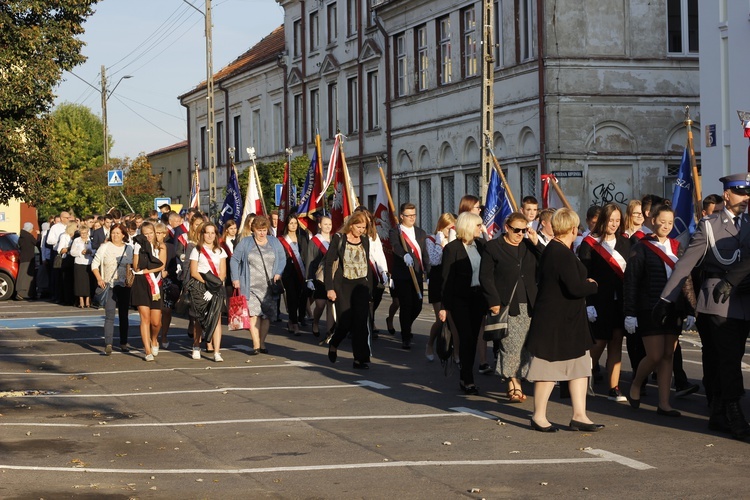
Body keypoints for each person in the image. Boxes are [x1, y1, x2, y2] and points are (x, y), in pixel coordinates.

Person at [656, 173, 750, 441]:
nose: (745, 199)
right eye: (740, 193)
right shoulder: (710, 225)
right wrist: (666, 298)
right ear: (727, 195)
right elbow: (685, 264)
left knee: (725, 360)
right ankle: (734, 414)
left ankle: (718, 415)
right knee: (729, 360)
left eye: (748, 194)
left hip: (744, 301)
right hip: (717, 302)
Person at [526, 208, 601, 432]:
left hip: (568, 320)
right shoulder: (560, 252)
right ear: (571, 228)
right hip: (555, 322)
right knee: (548, 369)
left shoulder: (558, 249)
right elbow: (575, 287)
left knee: (578, 367)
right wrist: (592, 285)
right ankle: (538, 415)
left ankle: (579, 415)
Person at [624, 205, 694, 416]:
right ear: (652, 220)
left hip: (673, 308)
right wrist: (629, 312)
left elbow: (686, 280)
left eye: (670, 223)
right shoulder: (641, 247)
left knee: (667, 355)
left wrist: (691, 309)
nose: (666, 226)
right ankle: (637, 383)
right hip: (649, 308)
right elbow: (631, 282)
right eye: (662, 221)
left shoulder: (677, 246)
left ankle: (664, 403)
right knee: (654, 355)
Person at [480, 212, 543, 403]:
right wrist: (493, 301)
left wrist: (536, 242)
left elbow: (548, 261)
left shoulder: (528, 246)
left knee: (525, 346)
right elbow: (486, 276)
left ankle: (517, 376)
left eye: (524, 230)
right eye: (516, 230)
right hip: (507, 304)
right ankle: (513, 383)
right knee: (510, 346)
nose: (520, 234)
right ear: (507, 227)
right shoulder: (493, 247)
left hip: (530, 304)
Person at [578, 203, 630, 403]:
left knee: (617, 341)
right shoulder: (589, 243)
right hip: (599, 299)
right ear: (603, 220)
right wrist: (588, 302)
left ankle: (613, 386)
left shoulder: (625, 242)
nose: (614, 224)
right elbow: (585, 275)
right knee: (599, 342)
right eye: (611, 220)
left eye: (618, 220)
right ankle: (584, 378)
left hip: (620, 300)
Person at [439, 212, 486, 394]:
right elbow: (446, 279)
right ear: (468, 227)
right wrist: (445, 307)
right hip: (460, 299)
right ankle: (467, 379)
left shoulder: (482, 246)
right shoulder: (452, 249)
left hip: (478, 298)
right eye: (478, 225)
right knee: (465, 336)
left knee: (473, 339)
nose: (481, 228)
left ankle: (466, 375)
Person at [231, 215, 286, 354]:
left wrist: (278, 272)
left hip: (269, 287)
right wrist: (235, 278)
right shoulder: (246, 243)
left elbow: (282, 258)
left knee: (266, 315)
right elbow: (234, 260)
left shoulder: (274, 242)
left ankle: (262, 343)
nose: (262, 233)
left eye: (264, 230)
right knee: (254, 314)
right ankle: (256, 344)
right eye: (259, 230)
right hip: (250, 286)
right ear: (253, 229)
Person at [325, 211, 373, 369]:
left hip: (361, 286)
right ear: (351, 225)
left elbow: (367, 265)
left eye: (364, 227)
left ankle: (360, 358)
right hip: (343, 285)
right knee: (345, 323)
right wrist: (330, 289)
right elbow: (328, 263)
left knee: (360, 323)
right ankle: (334, 342)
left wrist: (370, 290)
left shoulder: (365, 240)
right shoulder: (339, 239)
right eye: (358, 226)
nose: (361, 230)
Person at [390, 202, 429, 350]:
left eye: (414, 215)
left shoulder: (420, 232)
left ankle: (406, 325)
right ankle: (406, 336)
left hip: (417, 274)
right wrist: (404, 254)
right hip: (402, 274)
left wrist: (428, 272)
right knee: (406, 305)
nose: (412, 218)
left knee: (417, 306)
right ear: (401, 216)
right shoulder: (396, 231)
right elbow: (395, 246)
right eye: (408, 215)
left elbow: (424, 253)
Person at [91, 224, 133, 355]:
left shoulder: (129, 248)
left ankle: (123, 343)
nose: (115, 236)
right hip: (109, 285)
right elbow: (94, 264)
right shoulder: (105, 247)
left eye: (118, 233)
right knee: (109, 315)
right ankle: (108, 343)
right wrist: (99, 279)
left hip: (124, 285)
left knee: (124, 315)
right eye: (113, 233)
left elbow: (133, 266)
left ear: (124, 235)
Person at [188, 222, 227, 361]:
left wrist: (214, 287)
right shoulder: (196, 250)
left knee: (216, 319)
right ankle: (197, 346)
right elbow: (194, 272)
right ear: (202, 234)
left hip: (216, 288)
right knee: (199, 319)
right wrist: (207, 284)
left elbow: (222, 273)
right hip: (200, 287)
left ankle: (217, 351)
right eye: (207, 232)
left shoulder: (221, 251)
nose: (210, 236)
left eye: (213, 233)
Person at [131, 222, 166, 361]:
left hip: (156, 284)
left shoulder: (161, 246)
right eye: (145, 234)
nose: (148, 236)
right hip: (141, 283)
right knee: (144, 317)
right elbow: (135, 265)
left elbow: (161, 265)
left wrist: (148, 270)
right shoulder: (138, 245)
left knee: (156, 322)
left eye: (150, 233)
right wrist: (139, 251)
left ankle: (154, 339)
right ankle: (147, 350)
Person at [424, 213, 456, 361]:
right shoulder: (431, 239)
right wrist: (439, 242)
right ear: (442, 226)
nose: (451, 231)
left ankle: (456, 351)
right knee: (440, 318)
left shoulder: (453, 239)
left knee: (454, 320)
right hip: (437, 281)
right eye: (449, 228)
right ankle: (430, 344)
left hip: (450, 280)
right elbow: (435, 260)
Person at [279, 215, 308, 335]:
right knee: (292, 297)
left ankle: (292, 320)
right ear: (287, 225)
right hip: (288, 272)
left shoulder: (302, 238)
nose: (293, 225)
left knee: (301, 297)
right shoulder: (282, 240)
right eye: (291, 223)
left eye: (295, 223)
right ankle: (295, 324)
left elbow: (305, 255)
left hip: (301, 272)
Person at [305, 215, 333, 337]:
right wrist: (309, 278)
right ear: (320, 225)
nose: (328, 227)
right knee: (320, 304)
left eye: (330, 224)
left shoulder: (334, 239)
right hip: (319, 277)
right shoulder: (314, 241)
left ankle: (329, 330)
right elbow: (310, 260)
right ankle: (315, 322)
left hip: (332, 276)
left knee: (330, 304)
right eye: (325, 224)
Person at [154, 223, 176, 349]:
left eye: (161, 233)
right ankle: (154, 337)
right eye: (156, 233)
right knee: (155, 312)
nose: (158, 235)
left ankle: (164, 336)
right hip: (152, 282)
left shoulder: (170, 247)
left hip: (167, 282)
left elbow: (174, 264)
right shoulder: (150, 247)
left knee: (166, 310)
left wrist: (167, 271)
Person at [69, 226, 94, 308]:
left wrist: (91, 252)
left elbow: (95, 250)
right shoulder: (76, 240)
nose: (83, 235)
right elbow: (72, 252)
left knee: (88, 282)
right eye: (82, 233)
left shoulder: (91, 240)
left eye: (85, 233)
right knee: (79, 283)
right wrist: (80, 252)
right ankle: (81, 300)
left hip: (88, 263)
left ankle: (87, 300)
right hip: (79, 263)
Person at [56, 221, 77, 306]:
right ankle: (66, 299)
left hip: (74, 260)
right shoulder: (64, 236)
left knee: (73, 280)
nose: (77, 228)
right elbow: (60, 250)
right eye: (76, 227)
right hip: (66, 259)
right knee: (66, 280)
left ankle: (73, 298)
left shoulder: (76, 236)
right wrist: (70, 248)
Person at [16, 222, 37, 300]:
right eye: (32, 228)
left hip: (23, 258)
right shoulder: (29, 236)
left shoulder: (21, 236)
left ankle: (19, 292)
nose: (32, 230)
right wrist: (39, 235)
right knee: (27, 277)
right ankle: (24, 293)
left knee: (22, 275)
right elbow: (36, 243)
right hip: (29, 258)